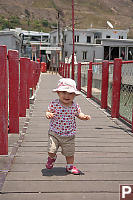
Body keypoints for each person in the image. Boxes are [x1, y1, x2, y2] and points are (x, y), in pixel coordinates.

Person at [45, 78, 91, 175]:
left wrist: (84, 117)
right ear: (58, 93)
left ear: (74, 95)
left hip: (69, 134)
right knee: (51, 150)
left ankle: (70, 167)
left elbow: (79, 114)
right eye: (64, 92)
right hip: (54, 133)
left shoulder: (75, 106)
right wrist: (48, 114)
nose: (67, 96)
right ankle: (52, 158)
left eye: (70, 93)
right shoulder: (54, 104)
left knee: (69, 153)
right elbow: (48, 111)